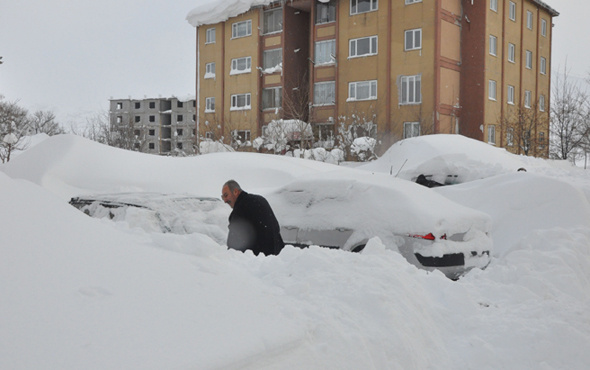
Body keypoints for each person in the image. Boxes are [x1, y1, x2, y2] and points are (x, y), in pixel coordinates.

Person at [221, 180, 284, 256]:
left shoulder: (240, 209)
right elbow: (274, 227)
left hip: (258, 260)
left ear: (235, 192)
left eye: (226, 195)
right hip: (277, 254)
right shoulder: (260, 199)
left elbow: (234, 244)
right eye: (222, 197)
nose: (225, 200)